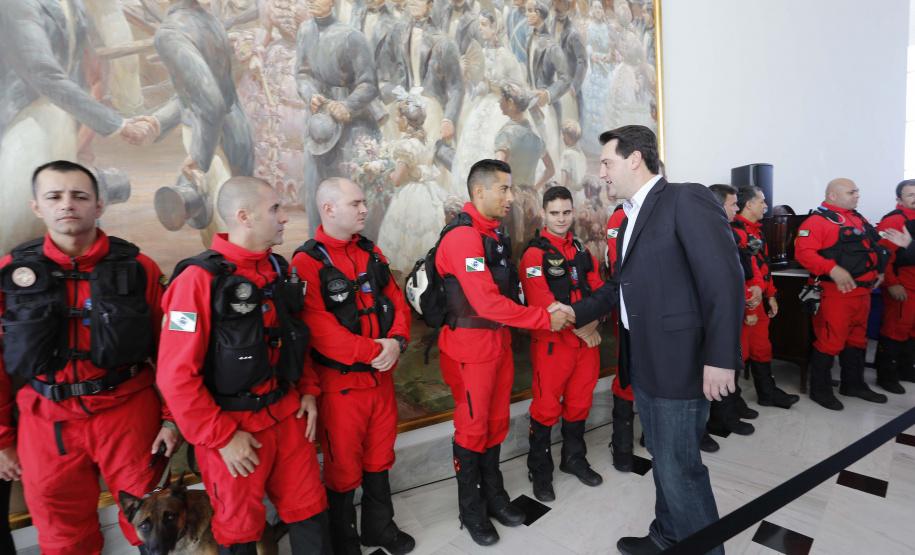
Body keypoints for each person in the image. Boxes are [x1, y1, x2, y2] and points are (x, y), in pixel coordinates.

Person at [553, 126, 744, 555]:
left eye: (607, 162)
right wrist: (574, 311)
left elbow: (724, 280)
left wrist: (720, 359)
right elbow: (619, 286)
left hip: (680, 363)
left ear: (635, 158)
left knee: (680, 467)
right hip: (643, 360)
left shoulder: (685, 198)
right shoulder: (629, 218)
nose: (602, 173)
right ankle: (668, 536)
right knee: (663, 458)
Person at [0, 161, 179, 555]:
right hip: (46, 422)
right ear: (36, 206)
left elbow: (168, 350)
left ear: (98, 205)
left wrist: (171, 418)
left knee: (153, 528)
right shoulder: (11, 273)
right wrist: (2, 439)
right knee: (62, 537)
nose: (67, 204)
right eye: (54, 196)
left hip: (128, 414)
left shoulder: (139, 269)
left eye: (79, 196)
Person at [157, 177, 331, 554]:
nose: (284, 217)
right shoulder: (195, 281)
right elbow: (175, 376)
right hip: (232, 430)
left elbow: (294, 338)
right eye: (275, 209)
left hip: (287, 415)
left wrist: (308, 391)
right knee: (239, 530)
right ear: (244, 216)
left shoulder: (278, 269)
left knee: (310, 512)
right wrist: (221, 437)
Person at [435, 159, 572, 546]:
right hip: (470, 349)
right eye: (504, 189)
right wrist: (544, 318)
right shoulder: (462, 238)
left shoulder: (491, 235)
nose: (511, 196)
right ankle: (471, 510)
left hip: (497, 345)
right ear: (479, 191)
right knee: (472, 428)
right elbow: (487, 303)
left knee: (495, 424)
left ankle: (494, 497)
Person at [291, 177, 415, 555]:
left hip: (380, 379)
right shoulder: (306, 262)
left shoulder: (370, 251)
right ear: (329, 209)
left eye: (363, 202)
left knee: (380, 457)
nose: (364, 209)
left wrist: (397, 341)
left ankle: (379, 528)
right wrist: (375, 350)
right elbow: (320, 330)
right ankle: (344, 542)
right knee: (343, 468)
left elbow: (396, 299)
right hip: (340, 386)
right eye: (356, 203)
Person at [0, 0, 157, 256]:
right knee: (17, 231)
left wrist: (82, 135)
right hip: (22, 129)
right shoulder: (15, 4)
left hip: (59, 125)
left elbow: (85, 75)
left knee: (58, 234)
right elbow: (43, 74)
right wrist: (118, 124)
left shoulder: (74, 5)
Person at [520, 186, 603, 502]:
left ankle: (574, 459)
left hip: (587, 344)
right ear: (544, 213)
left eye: (566, 212)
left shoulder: (582, 250)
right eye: (554, 213)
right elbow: (543, 303)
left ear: (573, 211)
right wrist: (585, 326)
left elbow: (599, 290)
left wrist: (594, 321)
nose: (561, 219)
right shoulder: (533, 255)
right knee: (545, 409)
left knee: (580, 404)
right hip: (553, 346)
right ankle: (540, 471)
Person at [149, 0, 257, 245]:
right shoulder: (210, 21)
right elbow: (197, 92)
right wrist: (158, 121)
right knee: (242, 226)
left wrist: (199, 155)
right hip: (236, 131)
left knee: (223, 235)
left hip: (207, 138)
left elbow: (209, 101)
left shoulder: (169, 32)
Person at [795, 178, 890, 410]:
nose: (857, 195)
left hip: (862, 292)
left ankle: (853, 385)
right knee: (830, 341)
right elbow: (804, 254)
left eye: (857, 191)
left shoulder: (857, 218)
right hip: (834, 293)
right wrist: (832, 269)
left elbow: (873, 246)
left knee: (857, 340)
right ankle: (820, 391)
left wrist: (880, 270)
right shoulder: (817, 221)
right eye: (851, 192)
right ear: (833, 196)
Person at [295, 0, 383, 237]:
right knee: (317, 190)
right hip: (318, 124)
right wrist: (310, 94)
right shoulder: (305, 30)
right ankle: (319, 252)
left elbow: (369, 84)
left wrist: (346, 105)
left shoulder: (352, 37)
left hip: (352, 125)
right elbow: (302, 74)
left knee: (349, 195)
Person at [731, 186, 800, 409]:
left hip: (759, 302)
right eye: (762, 202)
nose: (766, 206)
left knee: (762, 348)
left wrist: (771, 295)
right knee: (739, 353)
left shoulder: (757, 232)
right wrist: (750, 309)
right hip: (745, 305)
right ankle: (731, 402)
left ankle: (767, 393)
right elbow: (740, 275)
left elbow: (763, 267)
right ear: (749, 204)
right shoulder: (733, 232)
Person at [377, 93, 447, 276]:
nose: (396, 120)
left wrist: (380, 171)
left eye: (399, 116)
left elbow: (397, 179)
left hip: (411, 195)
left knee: (407, 238)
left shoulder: (406, 146)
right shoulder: (427, 141)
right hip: (430, 192)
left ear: (407, 120)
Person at [875, 179, 915, 392]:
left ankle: (906, 370)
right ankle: (886, 376)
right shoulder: (893, 221)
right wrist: (892, 284)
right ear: (899, 200)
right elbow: (882, 257)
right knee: (895, 329)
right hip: (903, 286)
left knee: (911, 331)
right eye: (911, 195)